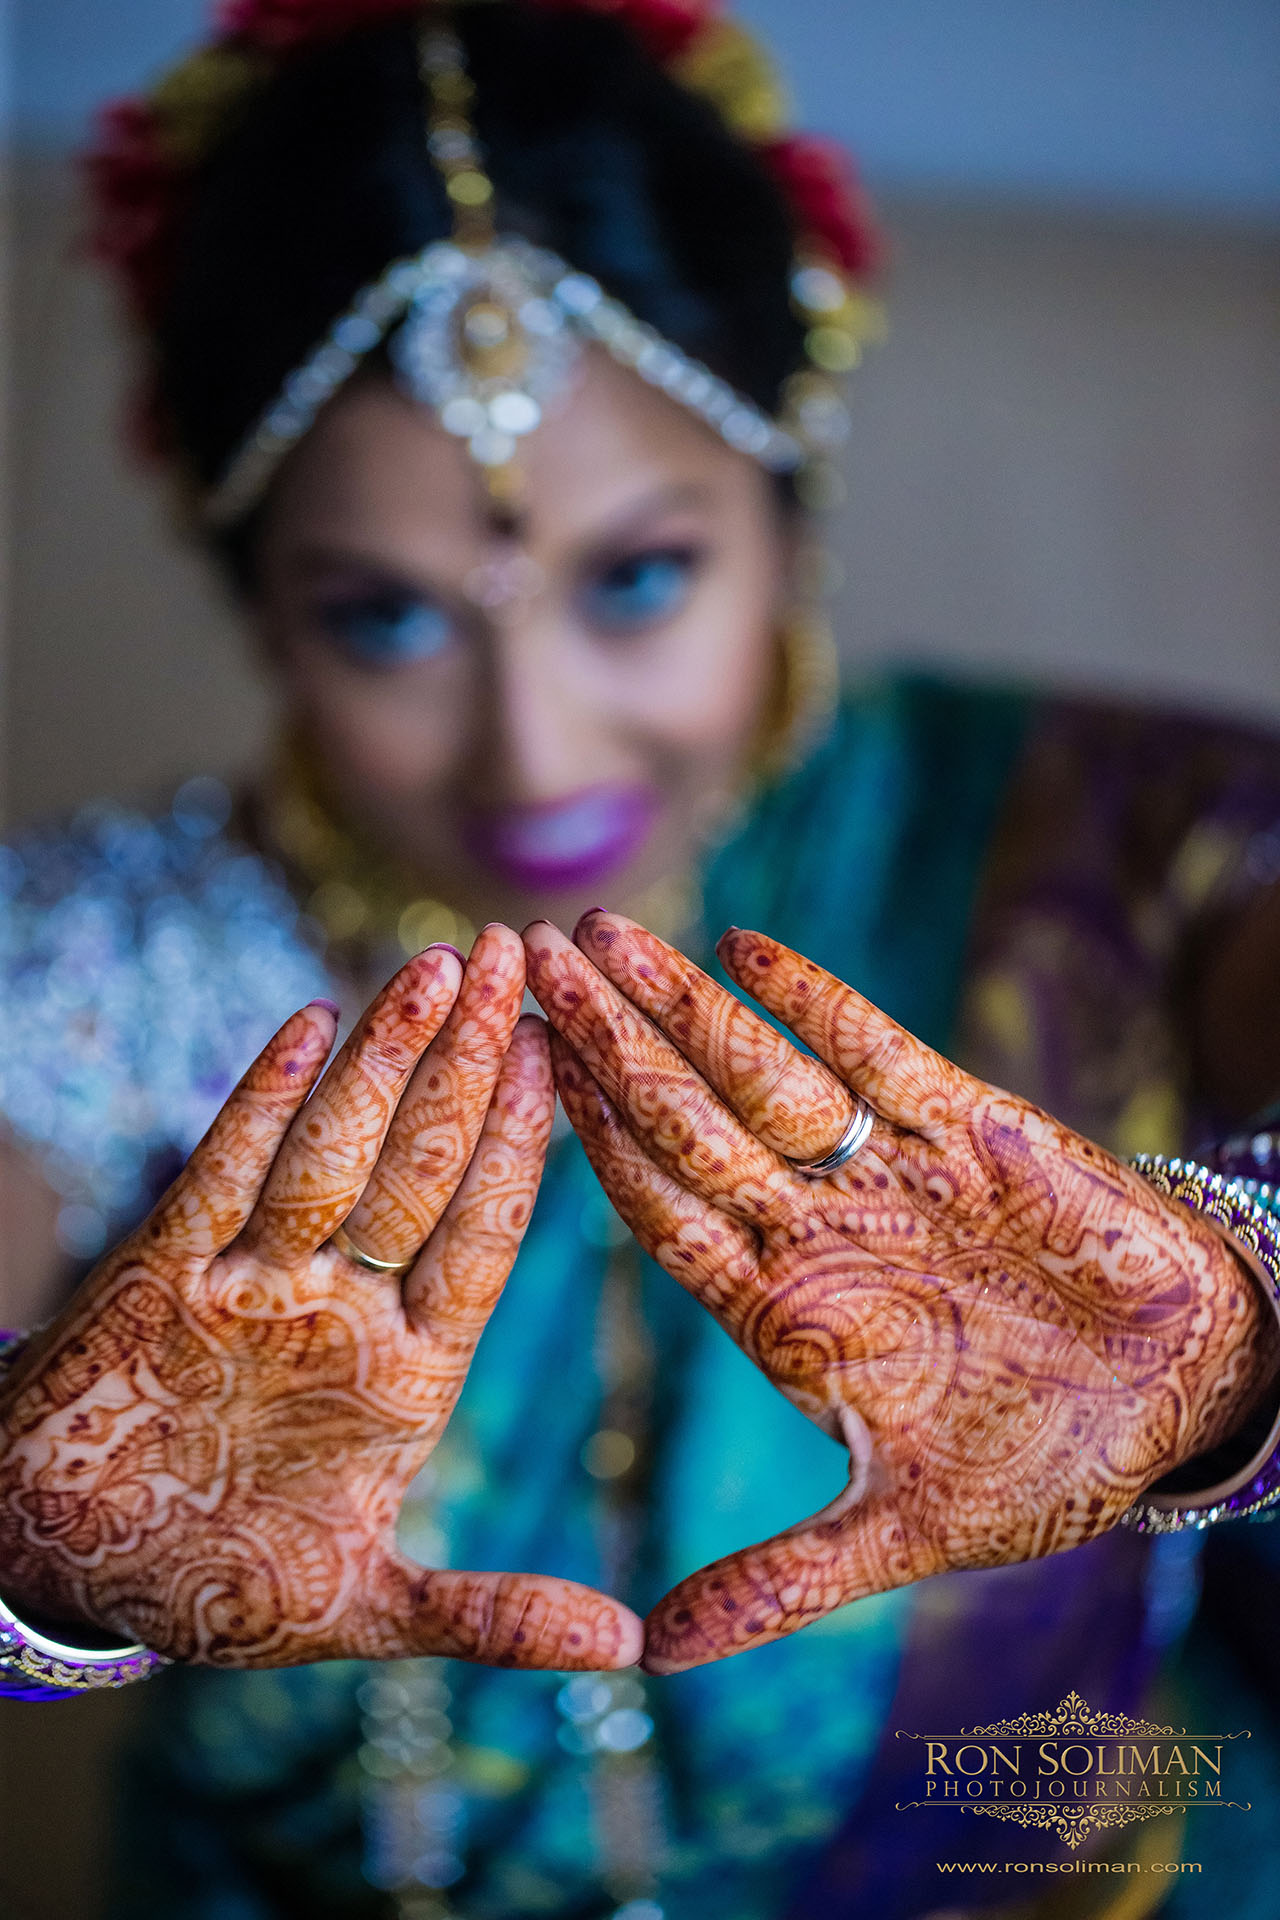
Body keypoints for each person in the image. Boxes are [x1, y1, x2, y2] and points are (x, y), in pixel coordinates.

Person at [3, 2, 1280, 1915]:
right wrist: (28, 1561)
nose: (538, 752)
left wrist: (1241, 1343)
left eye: (638, 579)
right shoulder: (105, 965)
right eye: (383, 619)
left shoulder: (1127, 842)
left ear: (790, 495)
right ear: (252, 594)